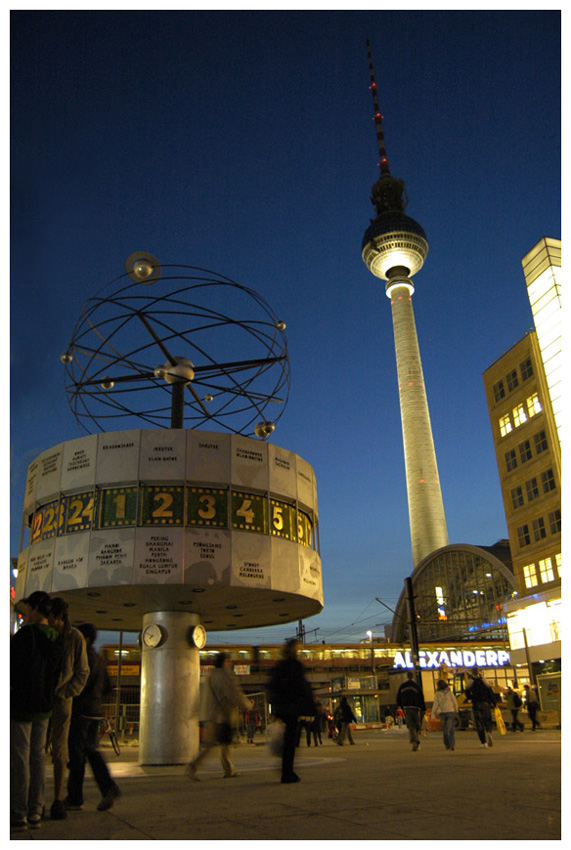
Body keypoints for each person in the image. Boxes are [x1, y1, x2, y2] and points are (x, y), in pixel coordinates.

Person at [10, 591, 63, 831]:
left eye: (28, 608)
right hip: (45, 706)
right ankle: (35, 811)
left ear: (34, 609)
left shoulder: (24, 636)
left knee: (20, 759)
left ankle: (18, 813)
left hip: (22, 705)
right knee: (38, 757)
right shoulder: (56, 638)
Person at [65, 624, 121, 812]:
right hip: (95, 712)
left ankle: (75, 797)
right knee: (90, 750)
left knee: (78, 755)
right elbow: (108, 688)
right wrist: (106, 711)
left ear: (86, 639)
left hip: (80, 711)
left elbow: (78, 684)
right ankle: (107, 787)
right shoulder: (99, 659)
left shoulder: (82, 657)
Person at [48, 598, 90, 819]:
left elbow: (83, 672)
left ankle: (56, 798)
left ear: (59, 616)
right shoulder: (51, 634)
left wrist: (65, 693)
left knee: (59, 750)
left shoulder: (74, 637)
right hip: (46, 698)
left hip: (61, 701)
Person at [186, 652, 252, 780]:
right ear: (224, 662)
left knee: (212, 745)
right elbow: (233, 693)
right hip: (221, 715)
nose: (230, 663)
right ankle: (227, 770)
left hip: (209, 715)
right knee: (225, 743)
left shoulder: (209, 675)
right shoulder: (224, 675)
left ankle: (194, 766)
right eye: (228, 661)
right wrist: (247, 705)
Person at [266, 638, 316, 783]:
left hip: (282, 708)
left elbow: (272, 686)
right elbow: (303, 686)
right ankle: (287, 771)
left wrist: (275, 706)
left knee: (288, 738)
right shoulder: (295, 665)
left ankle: (286, 769)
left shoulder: (279, 665)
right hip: (293, 707)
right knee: (291, 740)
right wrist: (311, 706)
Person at [465, 666, 496, 748]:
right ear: (478, 672)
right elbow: (490, 692)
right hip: (485, 703)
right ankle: (489, 732)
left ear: (472, 673)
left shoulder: (470, 682)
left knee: (479, 723)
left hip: (476, 704)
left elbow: (467, 693)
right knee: (487, 720)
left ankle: (483, 742)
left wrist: (470, 697)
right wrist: (493, 702)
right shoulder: (484, 681)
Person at [396, 671, 426, 751]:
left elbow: (398, 698)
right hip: (416, 708)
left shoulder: (402, 686)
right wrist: (423, 708)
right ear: (413, 677)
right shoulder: (416, 686)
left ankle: (415, 740)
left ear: (407, 676)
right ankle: (415, 741)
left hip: (407, 708)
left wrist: (401, 706)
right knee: (416, 725)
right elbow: (421, 698)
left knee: (411, 725)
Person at [431, 678, 459, 750]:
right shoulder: (449, 692)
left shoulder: (437, 693)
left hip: (442, 713)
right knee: (451, 729)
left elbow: (436, 704)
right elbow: (454, 701)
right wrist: (456, 709)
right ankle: (452, 744)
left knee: (445, 729)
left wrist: (433, 714)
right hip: (450, 711)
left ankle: (447, 744)